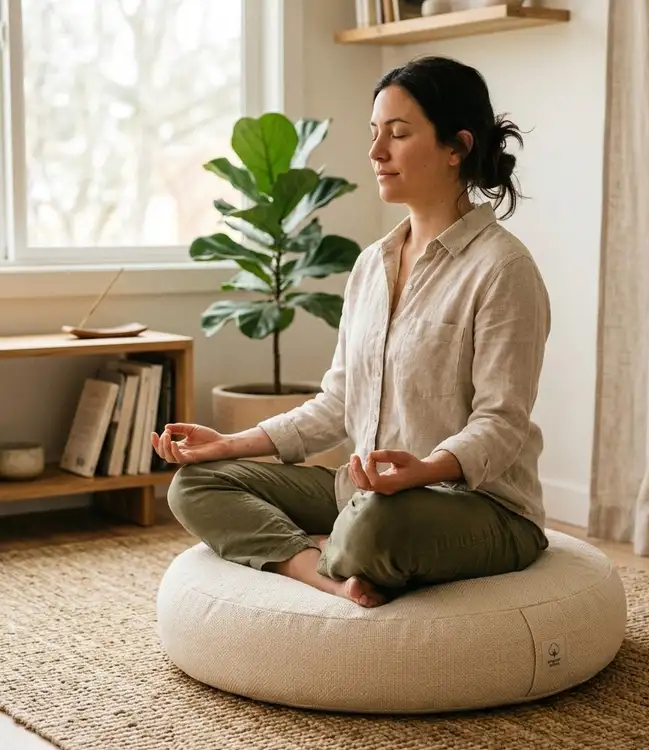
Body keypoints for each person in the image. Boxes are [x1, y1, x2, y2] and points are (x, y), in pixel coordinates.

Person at [154, 55, 551, 610]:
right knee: (197, 485)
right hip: (361, 493)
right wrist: (229, 444)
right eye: (374, 134)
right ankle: (316, 567)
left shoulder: (503, 269)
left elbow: (501, 424)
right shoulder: (372, 265)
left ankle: (337, 547)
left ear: (456, 147)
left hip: (475, 505)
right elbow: (337, 404)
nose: (376, 153)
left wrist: (427, 469)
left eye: (399, 134)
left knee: (376, 527)